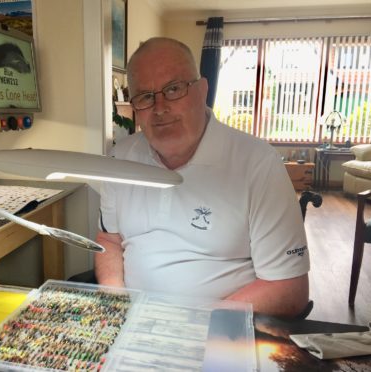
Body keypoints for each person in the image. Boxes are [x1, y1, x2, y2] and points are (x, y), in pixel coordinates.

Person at [95, 37, 309, 317]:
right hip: (135, 327)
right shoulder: (119, 157)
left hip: (222, 333)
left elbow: (289, 289)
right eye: (146, 96)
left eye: (174, 89)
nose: (160, 108)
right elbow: (109, 239)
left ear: (202, 90)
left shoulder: (257, 162)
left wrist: (194, 324)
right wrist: (115, 302)